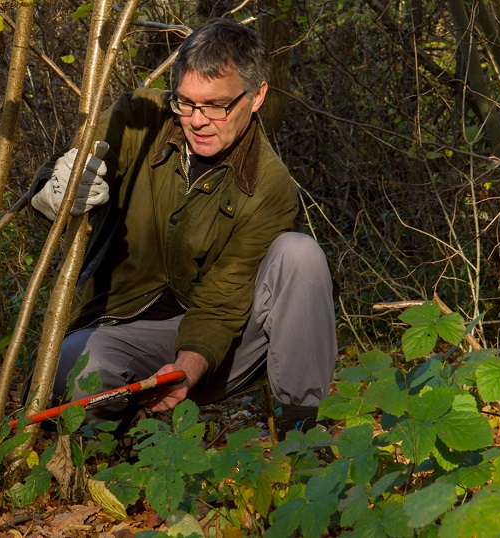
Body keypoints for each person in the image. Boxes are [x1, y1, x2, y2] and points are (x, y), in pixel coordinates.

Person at [29, 17, 337, 438]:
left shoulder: (271, 186)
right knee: (76, 368)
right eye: (186, 102)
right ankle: (108, 450)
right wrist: (56, 194)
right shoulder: (137, 117)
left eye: (216, 105)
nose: (196, 120)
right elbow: (63, 175)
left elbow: (221, 303)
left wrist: (186, 370)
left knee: (300, 256)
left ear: (257, 95)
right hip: (120, 325)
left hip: (220, 342)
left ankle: (301, 435)